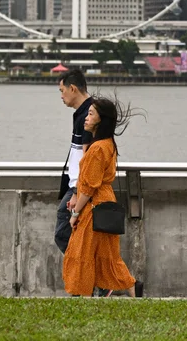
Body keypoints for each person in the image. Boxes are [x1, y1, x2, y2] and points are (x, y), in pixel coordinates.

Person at [63, 95, 143, 297]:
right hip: (102, 202)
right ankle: (132, 288)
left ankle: (82, 291)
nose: (85, 119)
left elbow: (89, 186)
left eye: (90, 115)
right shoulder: (105, 144)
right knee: (106, 254)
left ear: (101, 120)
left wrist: (75, 213)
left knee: (82, 251)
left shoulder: (99, 148)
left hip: (94, 205)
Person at [55, 68, 93, 254]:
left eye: (62, 91)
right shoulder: (83, 113)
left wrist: (78, 191)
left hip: (80, 187)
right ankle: (95, 281)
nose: (61, 96)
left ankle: (88, 279)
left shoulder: (89, 115)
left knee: (64, 235)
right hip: (76, 186)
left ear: (72, 89)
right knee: (75, 241)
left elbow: (88, 157)